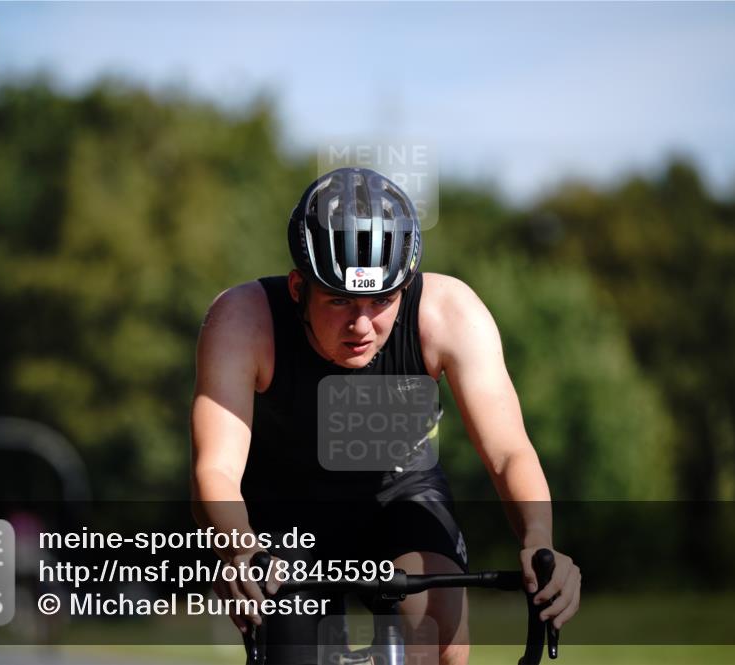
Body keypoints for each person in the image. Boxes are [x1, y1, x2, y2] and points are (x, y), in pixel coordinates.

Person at [191, 167, 581, 665]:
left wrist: (541, 544)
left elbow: (508, 453)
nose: (360, 325)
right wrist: (240, 549)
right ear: (296, 288)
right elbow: (215, 469)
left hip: (403, 494)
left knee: (440, 641)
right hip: (285, 509)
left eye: (381, 300)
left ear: (408, 285)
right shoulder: (243, 319)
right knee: (288, 650)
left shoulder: (448, 313)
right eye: (337, 300)